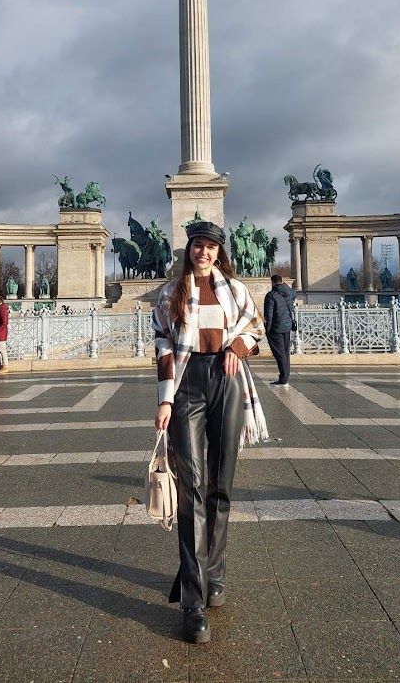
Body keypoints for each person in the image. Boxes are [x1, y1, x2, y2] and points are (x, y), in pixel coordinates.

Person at [153, 220, 266, 644]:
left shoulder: (236, 290)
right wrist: (165, 399)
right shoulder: (170, 292)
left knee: (221, 483)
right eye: (198, 245)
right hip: (186, 384)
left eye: (211, 247)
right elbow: (163, 344)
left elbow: (255, 329)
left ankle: (214, 573)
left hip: (226, 378)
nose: (204, 252)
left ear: (220, 253)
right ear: (189, 250)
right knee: (192, 486)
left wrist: (238, 347)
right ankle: (192, 601)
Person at [264, 274, 295, 385]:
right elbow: (293, 293)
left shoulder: (271, 295)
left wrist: (267, 330)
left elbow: (269, 315)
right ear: (281, 282)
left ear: (272, 282)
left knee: (279, 354)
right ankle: (285, 376)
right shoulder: (289, 293)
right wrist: (284, 285)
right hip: (287, 326)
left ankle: (283, 378)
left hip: (276, 328)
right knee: (285, 352)